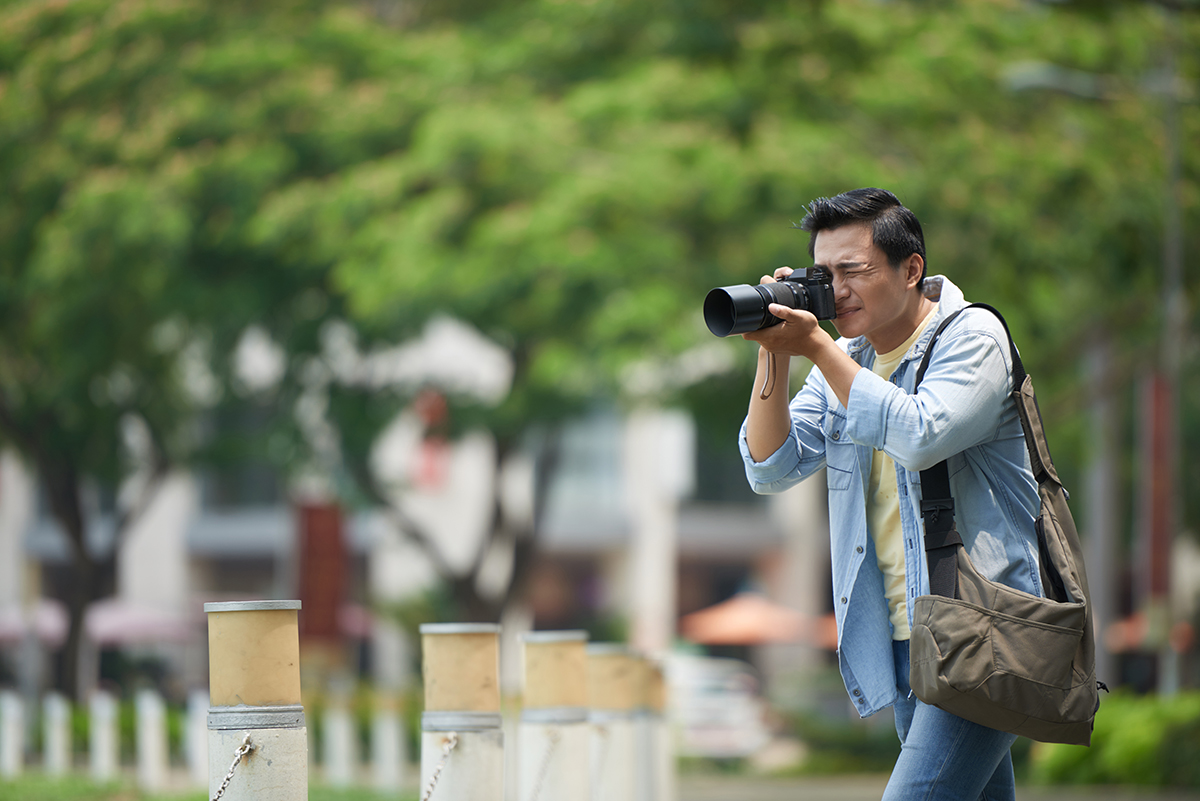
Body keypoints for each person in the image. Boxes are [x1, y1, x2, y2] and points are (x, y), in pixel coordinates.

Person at [739, 187, 1041, 800]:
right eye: (824, 275)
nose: (837, 290)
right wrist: (774, 355)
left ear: (911, 270)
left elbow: (920, 433)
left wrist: (817, 348)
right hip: (900, 638)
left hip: (980, 632)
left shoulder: (972, 336)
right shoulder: (847, 358)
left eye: (854, 271)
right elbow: (770, 467)